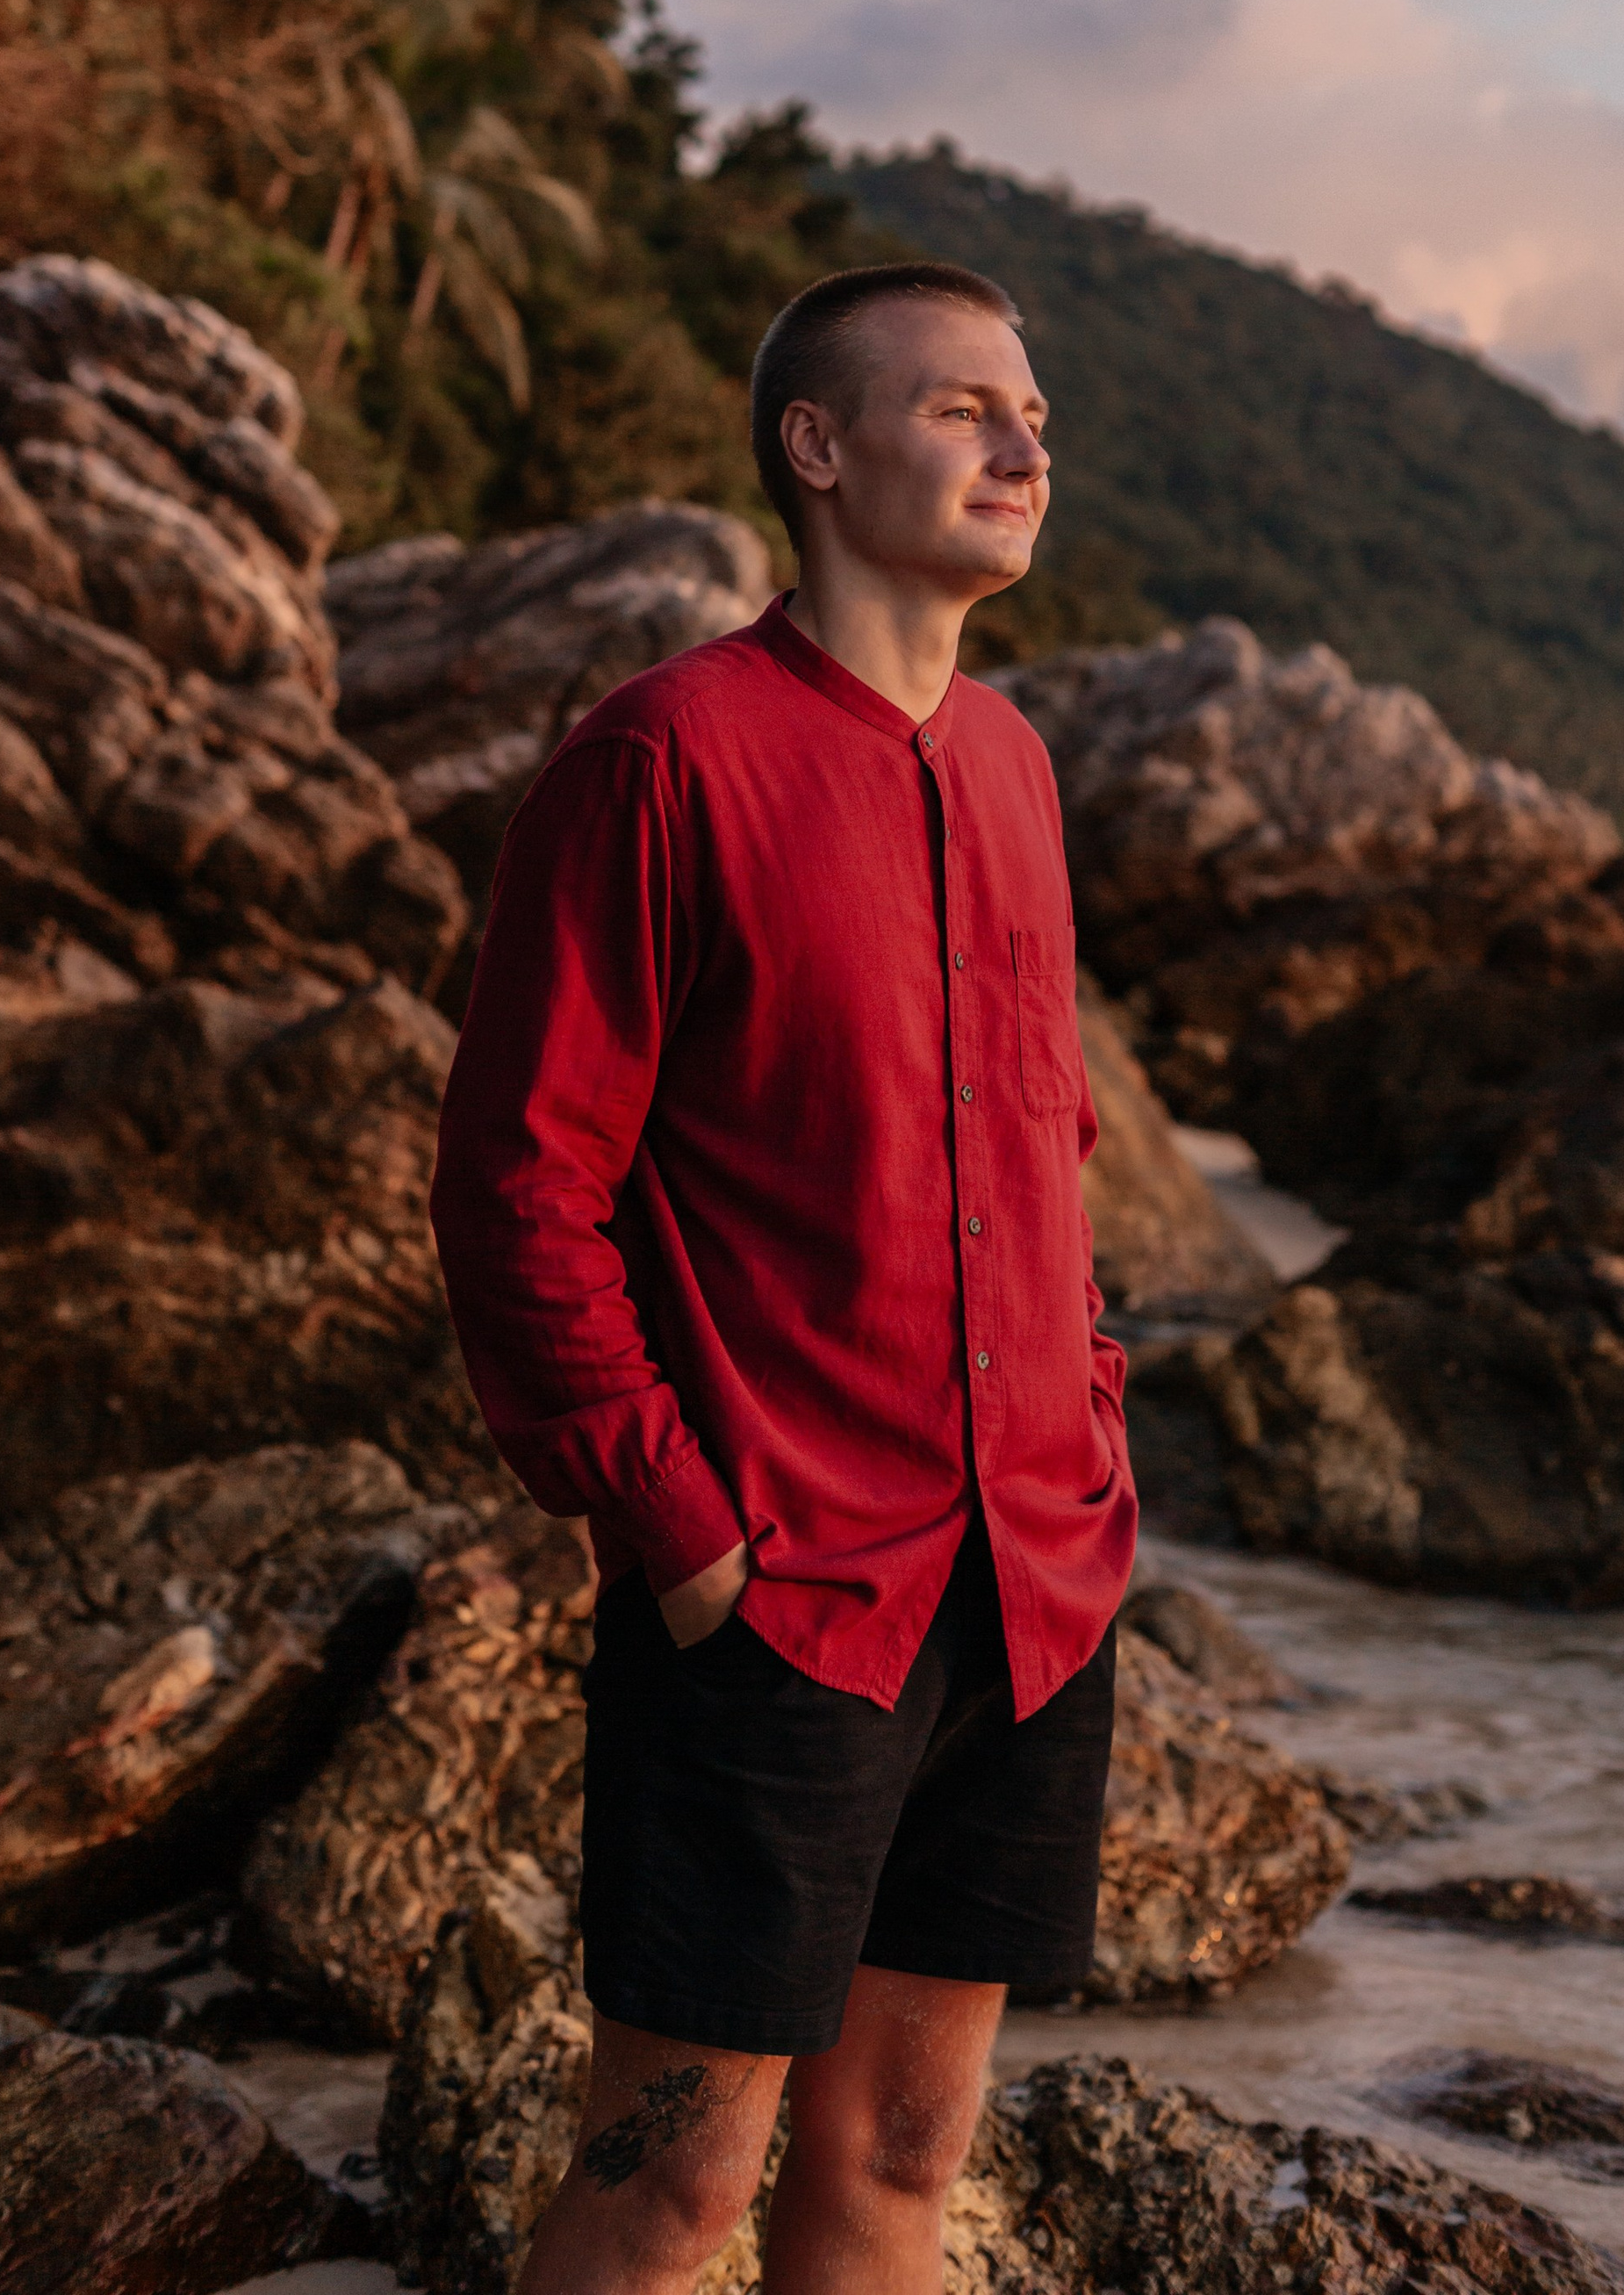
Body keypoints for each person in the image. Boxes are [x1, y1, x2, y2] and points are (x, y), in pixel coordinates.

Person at [430, 257, 1137, 2295]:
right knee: (670, 2188)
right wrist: (675, 1530)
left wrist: (1088, 1425)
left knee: (900, 2174)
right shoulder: (660, 761)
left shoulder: (1008, 764)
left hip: (1029, 1587)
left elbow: (1046, 1144)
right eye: (962, 410)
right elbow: (517, 1184)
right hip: (779, 1600)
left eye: (1034, 419)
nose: (1022, 447)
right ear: (814, 450)